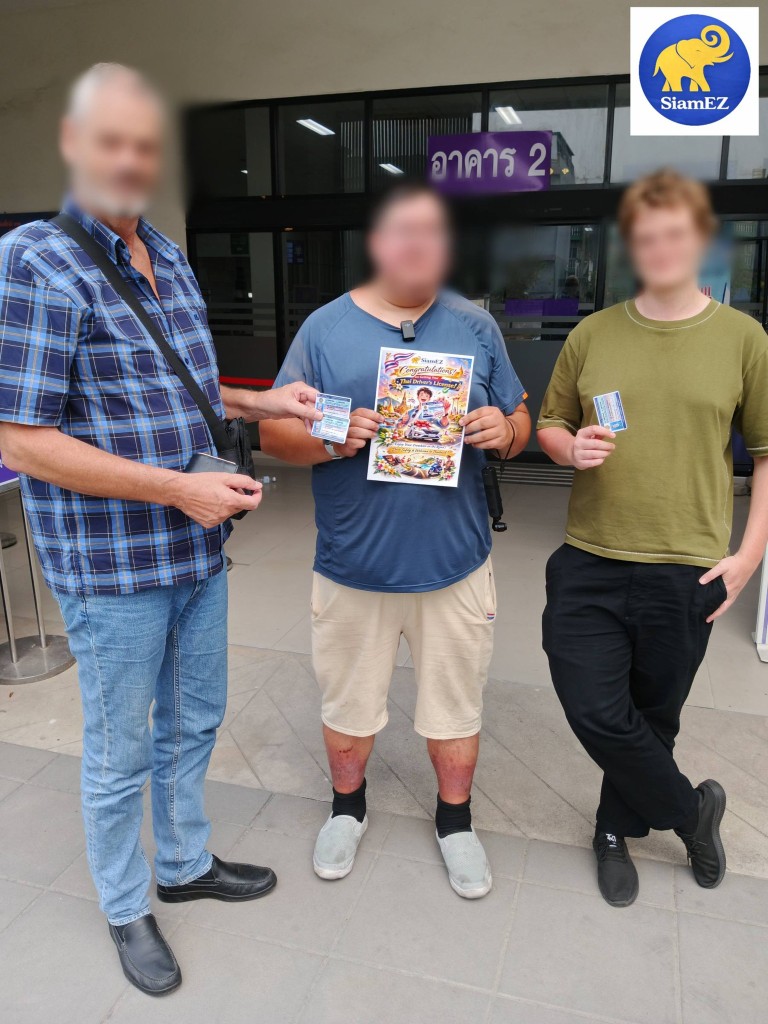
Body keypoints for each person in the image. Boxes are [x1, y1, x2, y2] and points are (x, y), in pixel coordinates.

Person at [0, 63, 320, 995]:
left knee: (194, 719)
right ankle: (125, 904)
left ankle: (183, 865)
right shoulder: (36, 261)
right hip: (110, 565)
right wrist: (171, 491)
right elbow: (22, 435)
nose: (130, 160)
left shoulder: (168, 254)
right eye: (112, 142)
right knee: (121, 745)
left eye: (145, 144)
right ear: (74, 145)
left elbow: (176, 387)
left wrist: (262, 402)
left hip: (198, 547)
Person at [260, 182, 530, 899]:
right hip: (353, 564)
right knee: (347, 708)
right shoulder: (324, 329)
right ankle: (347, 809)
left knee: (457, 706)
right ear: (377, 243)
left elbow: (520, 415)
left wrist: (507, 433)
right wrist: (330, 437)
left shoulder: (474, 327)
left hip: (454, 564)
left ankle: (456, 821)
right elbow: (272, 432)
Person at [537, 169, 768, 908]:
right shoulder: (592, 332)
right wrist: (566, 449)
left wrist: (749, 557)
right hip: (591, 556)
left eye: (675, 233)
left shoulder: (744, 338)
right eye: (646, 235)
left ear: (701, 239)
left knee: (652, 717)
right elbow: (550, 424)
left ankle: (613, 828)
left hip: (687, 566)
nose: (660, 247)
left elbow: (766, 454)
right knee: (594, 706)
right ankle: (689, 810)